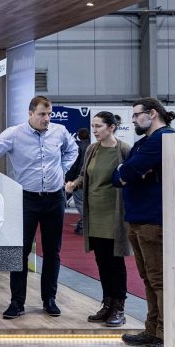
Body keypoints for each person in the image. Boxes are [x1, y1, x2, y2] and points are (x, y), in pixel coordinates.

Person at [0, 96, 78, 319]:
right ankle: (17, 302)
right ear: (30, 113)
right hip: (26, 199)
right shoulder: (14, 134)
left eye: (49, 114)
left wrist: (62, 169)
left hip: (55, 199)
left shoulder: (60, 131)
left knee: (52, 251)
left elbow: (72, 151)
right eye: (42, 114)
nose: (47, 118)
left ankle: (49, 299)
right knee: (20, 251)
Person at [112, 98, 175, 347]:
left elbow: (128, 171)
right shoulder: (144, 143)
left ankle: (166, 337)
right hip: (138, 219)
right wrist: (127, 172)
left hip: (154, 220)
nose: (133, 121)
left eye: (136, 115)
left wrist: (128, 172)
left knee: (159, 280)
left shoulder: (164, 139)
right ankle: (152, 330)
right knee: (149, 279)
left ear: (152, 113)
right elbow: (118, 176)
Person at [65, 113, 131, 327]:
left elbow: (130, 178)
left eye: (99, 126)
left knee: (115, 262)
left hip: (114, 215)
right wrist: (75, 183)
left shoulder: (124, 149)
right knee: (102, 261)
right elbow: (84, 174)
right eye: (93, 126)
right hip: (94, 213)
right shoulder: (92, 149)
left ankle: (119, 307)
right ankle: (107, 303)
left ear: (111, 127)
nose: (95, 130)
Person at [65, 128, 90, 234]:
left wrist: (69, 179)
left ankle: (86, 225)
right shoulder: (92, 145)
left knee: (80, 203)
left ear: (78, 135)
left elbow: (74, 165)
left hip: (78, 180)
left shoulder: (76, 146)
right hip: (89, 179)